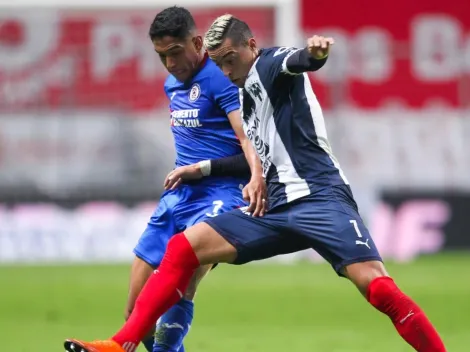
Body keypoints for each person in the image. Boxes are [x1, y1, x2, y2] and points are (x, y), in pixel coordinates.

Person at [63, 14, 446, 352]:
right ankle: (121, 344)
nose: (227, 72)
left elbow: (299, 61)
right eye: (219, 65)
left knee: (378, 289)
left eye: (230, 61)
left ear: (251, 45)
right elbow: (255, 148)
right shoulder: (243, 92)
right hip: (274, 207)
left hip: (320, 199)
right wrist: (254, 176)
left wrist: (315, 54)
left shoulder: (270, 63)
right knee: (183, 248)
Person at [120, 8, 265, 352]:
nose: (169, 64)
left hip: (220, 195)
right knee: (136, 312)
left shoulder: (221, 78)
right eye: (161, 56)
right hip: (178, 197)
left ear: (197, 42)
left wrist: (254, 177)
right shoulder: (172, 83)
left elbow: (248, 142)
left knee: (180, 286)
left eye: (174, 53)